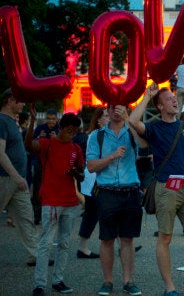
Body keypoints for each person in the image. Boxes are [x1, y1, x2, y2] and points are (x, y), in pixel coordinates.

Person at [129, 83, 184, 296]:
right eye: (168, 99)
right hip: (165, 188)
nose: (175, 100)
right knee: (165, 238)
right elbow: (132, 120)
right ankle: (170, 287)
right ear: (159, 106)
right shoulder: (154, 128)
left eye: (174, 98)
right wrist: (148, 95)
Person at [86, 104, 143, 295]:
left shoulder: (132, 131)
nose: (115, 112)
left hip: (130, 192)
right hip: (107, 192)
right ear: (107, 111)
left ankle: (128, 281)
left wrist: (129, 120)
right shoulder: (97, 136)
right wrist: (111, 156)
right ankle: (108, 281)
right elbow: (92, 166)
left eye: (119, 108)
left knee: (127, 239)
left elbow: (144, 145)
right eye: (111, 108)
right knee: (107, 239)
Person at [26, 109, 83, 296]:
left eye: (75, 130)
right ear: (61, 127)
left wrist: (77, 174)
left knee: (64, 242)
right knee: (46, 243)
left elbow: (81, 172)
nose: (72, 133)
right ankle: (39, 284)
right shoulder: (47, 144)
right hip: (51, 200)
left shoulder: (76, 148)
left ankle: (58, 280)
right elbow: (29, 145)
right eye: (69, 129)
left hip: (70, 201)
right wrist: (33, 122)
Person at [0, 89, 39, 267]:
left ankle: (36, 254)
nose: (23, 104)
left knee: (26, 217)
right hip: (5, 178)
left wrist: (32, 121)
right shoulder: (1, 121)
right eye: (20, 100)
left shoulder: (12, 122)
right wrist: (16, 176)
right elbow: (0, 153)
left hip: (18, 180)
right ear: (9, 100)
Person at [76, 107, 109, 259]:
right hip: (95, 180)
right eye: (106, 116)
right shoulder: (95, 136)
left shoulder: (104, 134)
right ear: (99, 120)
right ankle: (83, 247)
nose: (109, 118)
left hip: (97, 180)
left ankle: (123, 245)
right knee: (93, 214)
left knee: (101, 213)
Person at [31, 108, 59, 225]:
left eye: (53, 119)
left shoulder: (60, 130)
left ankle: (54, 215)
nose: (50, 121)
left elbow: (67, 146)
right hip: (40, 163)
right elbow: (31, 144)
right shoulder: (40, 129)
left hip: (55, 164)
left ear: (57, 119)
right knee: (38, 190)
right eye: (48, 119)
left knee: (54, 190)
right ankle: (37, 216)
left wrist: (56, 139)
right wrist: (38, 138)